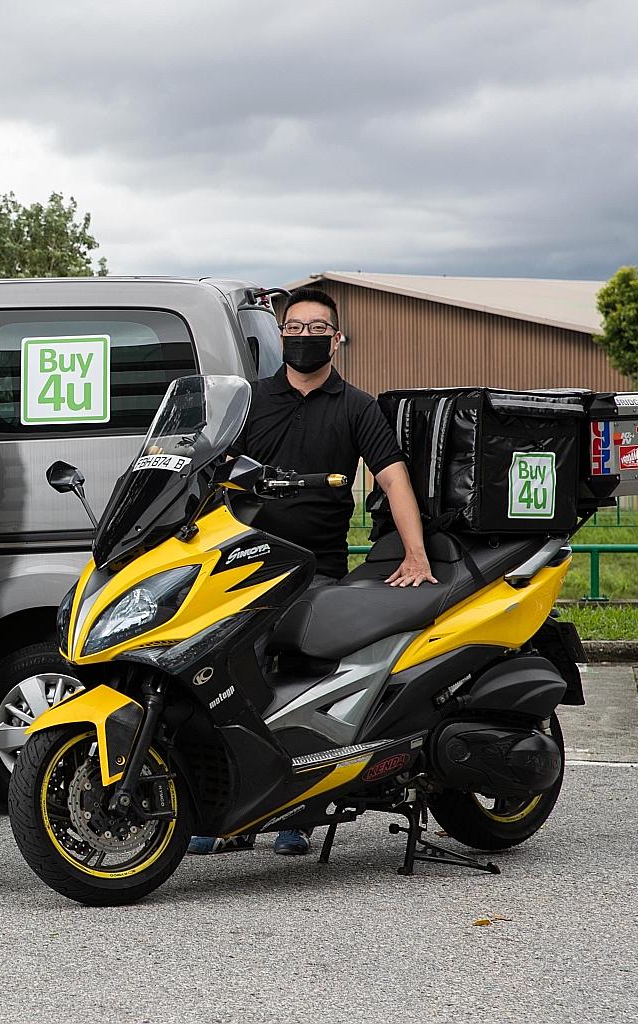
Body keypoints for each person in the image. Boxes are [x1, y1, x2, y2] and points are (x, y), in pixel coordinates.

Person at [189, 286, 436, 858]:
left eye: (316, 328)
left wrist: (414, 553)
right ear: (281, 335)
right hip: (240, 564)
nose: (304, 337)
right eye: (294, 328)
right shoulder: (249, 401)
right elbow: (206, 470)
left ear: (337, 337)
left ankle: (296, 810)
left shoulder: (356, 406)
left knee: (298, 683)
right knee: (223, 681)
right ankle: (227, 811)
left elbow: (393, 478)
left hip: (317, 569)